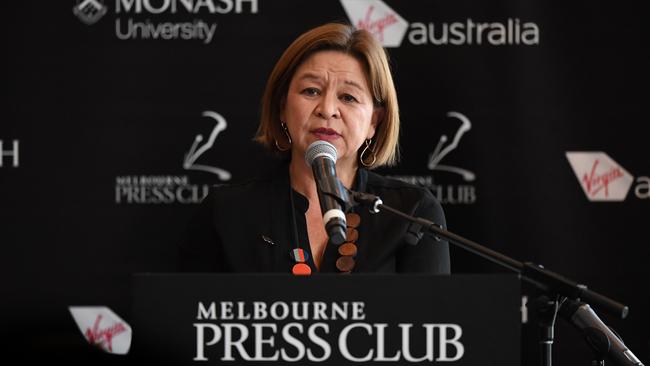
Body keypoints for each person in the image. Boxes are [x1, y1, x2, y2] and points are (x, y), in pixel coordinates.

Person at [180, 22, 450, 274]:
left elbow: (431, 321)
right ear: (282, 108)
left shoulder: (412, 213)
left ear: (374, 122)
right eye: (311, 91)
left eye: (348, 97)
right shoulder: (227, 211)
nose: (327, 110)